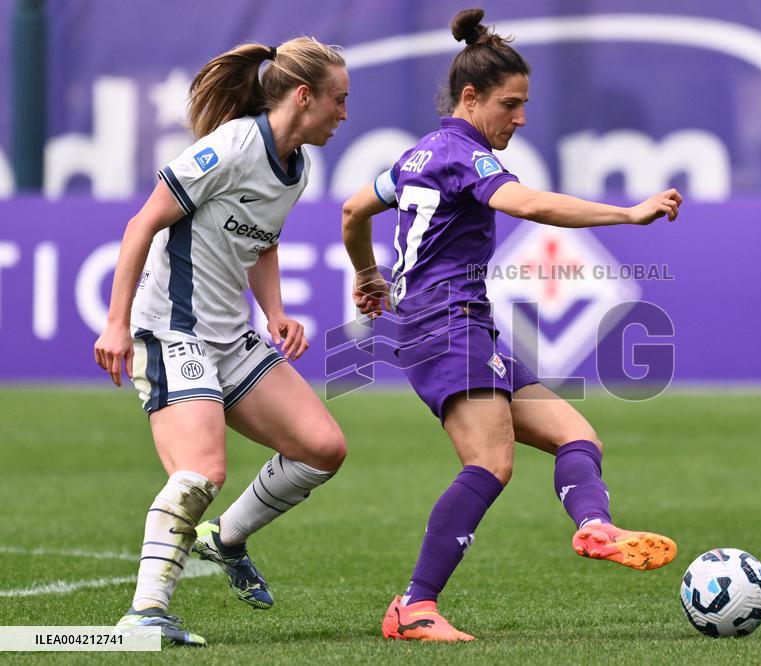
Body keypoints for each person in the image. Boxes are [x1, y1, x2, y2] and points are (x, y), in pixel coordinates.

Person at [341, 8, 684, 643]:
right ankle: (414, 607)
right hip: (446, 324)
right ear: (470, 98)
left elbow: (353, 208)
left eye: (524, 105)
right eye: (511, 104)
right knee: (490, 461)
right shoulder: (463, 156)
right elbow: (528, 203)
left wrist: (369, 275)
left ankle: (594, 526)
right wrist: (628, 215)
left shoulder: (420, 154)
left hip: (454, 323)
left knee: (576, 435)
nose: (520, 119)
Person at [94, 37, 349, 646]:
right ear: (304, 97)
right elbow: (143, 223)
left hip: (229, 337)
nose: (345, 114)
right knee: (200, 471)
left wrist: (277, 312)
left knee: (322, 448)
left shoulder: (297, 165)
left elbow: (260, 241)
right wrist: (115, 321)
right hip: (172, 329)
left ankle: (226, 539)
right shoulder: (232, 147)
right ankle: (145, 614)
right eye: (339, 101)